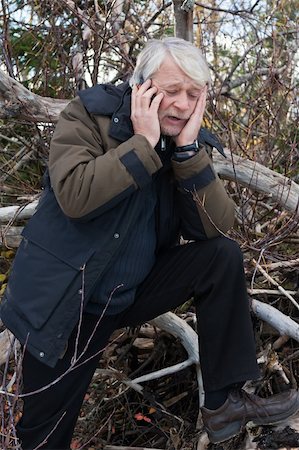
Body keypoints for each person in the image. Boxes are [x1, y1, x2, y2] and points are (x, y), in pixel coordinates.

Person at [1, 37, 298, 450]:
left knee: (220, 257)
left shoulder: (183, 144)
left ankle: (224, 403)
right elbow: (74, 195)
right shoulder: (89, 116)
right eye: (171, 90)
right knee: (45, 435)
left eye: (193, 95)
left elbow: (216, 227)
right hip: (66, 302)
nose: (181, 104)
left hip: (126, 295)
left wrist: (189, 153)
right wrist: (141, 144)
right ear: (141, 85)